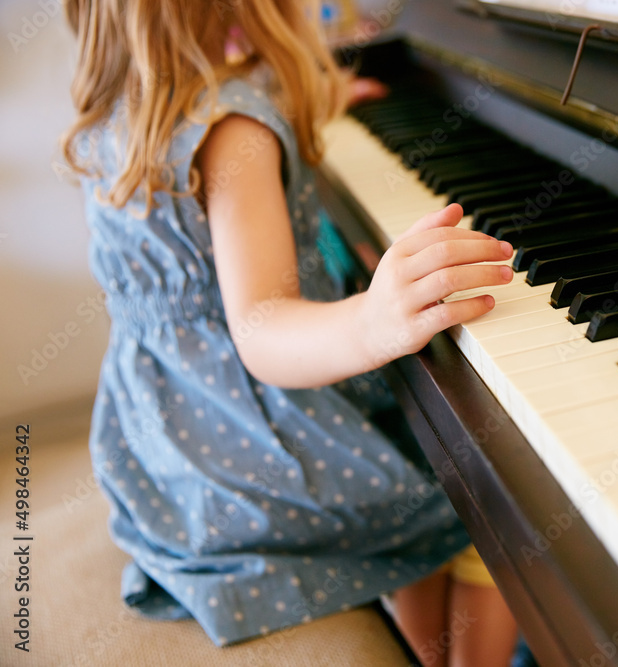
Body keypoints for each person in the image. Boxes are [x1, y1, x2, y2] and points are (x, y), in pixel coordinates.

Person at [60, 0, 519, 664]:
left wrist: (316, 97)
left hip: (169, 449)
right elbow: (262, 328)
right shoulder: (236, 132)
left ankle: (424, 647)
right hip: (258, 458)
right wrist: (372, 318)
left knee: (425, 442)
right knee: (493, 482)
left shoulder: (121, 111)